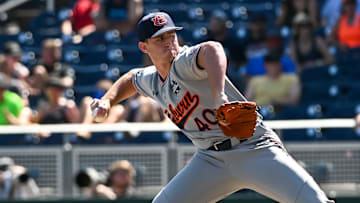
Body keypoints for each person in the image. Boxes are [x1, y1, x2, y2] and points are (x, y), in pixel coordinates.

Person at [90, 11, 334, 202]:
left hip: (253, 149)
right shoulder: (152, 79)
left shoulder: (183, 62)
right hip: (210, 160)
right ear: (144, 47)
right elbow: (131, 78)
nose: (169, 43)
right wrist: (108, 101)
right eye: (160, 38)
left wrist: (219, 94)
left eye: (171, 35)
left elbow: (212, 48)